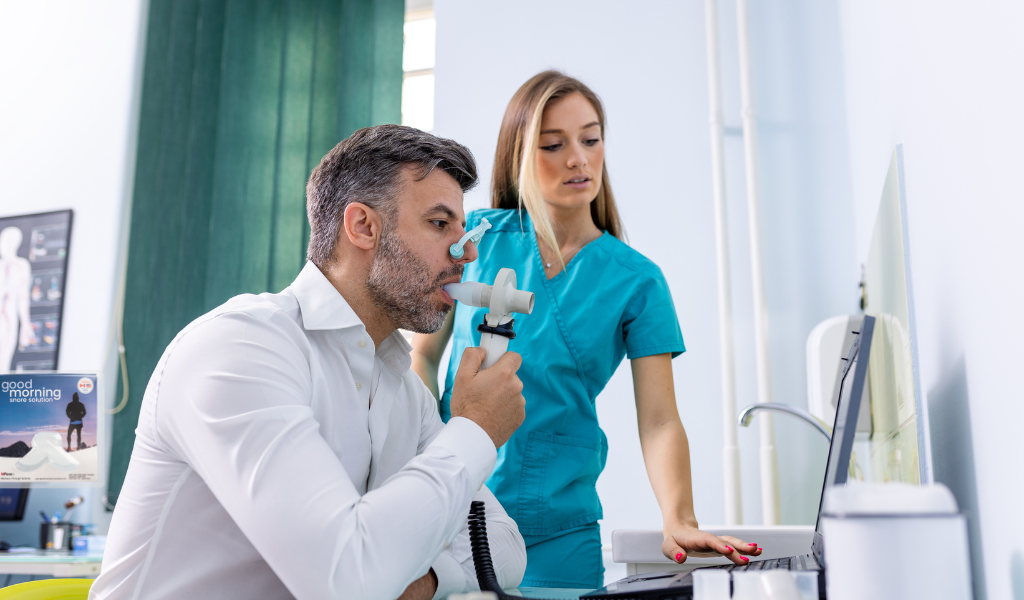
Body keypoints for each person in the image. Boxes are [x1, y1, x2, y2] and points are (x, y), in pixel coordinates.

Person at [92, 126, 527, 600]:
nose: (467, 253)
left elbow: (504, 550)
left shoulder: (405, 393)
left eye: (462, 231)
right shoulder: (240, 350)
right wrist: (474, 430)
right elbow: (344, 580)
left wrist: (423, 582)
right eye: (440, 225)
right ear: (362, 226)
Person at [412, 72, 761, 589]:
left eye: (591, 139)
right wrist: (417, 460)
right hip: (450, 515)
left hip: (558, 532)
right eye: (554, 145)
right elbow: (421, 358)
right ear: (521, 155)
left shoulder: (637, 282)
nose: (578, 158)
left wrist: (679, 517)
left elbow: (660, 419)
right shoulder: (475, 240)